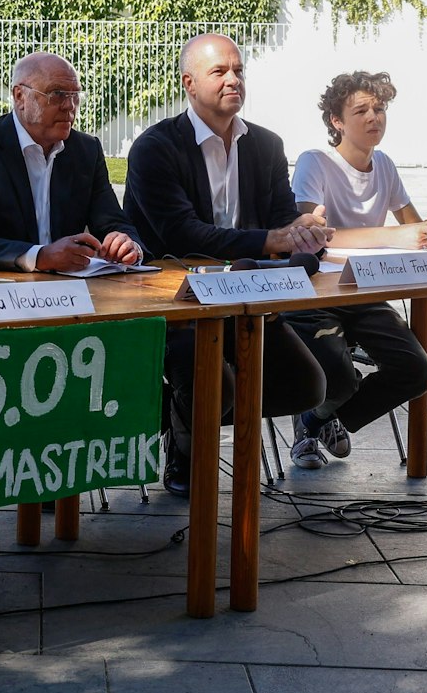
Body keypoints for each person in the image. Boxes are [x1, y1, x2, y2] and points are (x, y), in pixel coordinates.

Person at [121, 33, 330, 496]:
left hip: (246, 298)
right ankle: (187, 439)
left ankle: (184, 416)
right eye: (220, 72)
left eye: (238, 71)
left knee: (306, 386)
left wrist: (303, 230)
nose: (233, 79)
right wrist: (272, 238)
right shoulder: (155, 148)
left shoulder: (266, 145)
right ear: (189, 84)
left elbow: (280, 218)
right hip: (176, 302)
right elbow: (183, 235)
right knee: (219, 385)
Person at [284, 70, 427, 470]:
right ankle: (322, 413)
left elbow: (411, 225)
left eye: (380, 108)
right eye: (361, 111)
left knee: (418, 371)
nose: (375, 117)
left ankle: (319, 418)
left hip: (364, 291)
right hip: (314, 294)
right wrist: (398, 234)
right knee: (341, 376)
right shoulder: (314, 162)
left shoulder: (384, 165)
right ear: (337, 121)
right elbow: (312, 234)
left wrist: (426, 234)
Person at [0, 51, 145, 272]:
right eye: (57, 94)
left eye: (75, 95)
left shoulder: (86, 151)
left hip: (70, 292)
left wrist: (127, 245)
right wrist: (39, 257)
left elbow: (113, 222)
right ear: (20, 96)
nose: (70, 106)